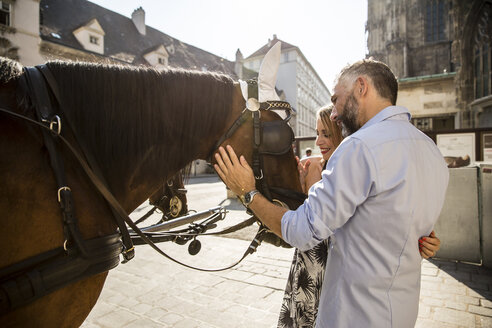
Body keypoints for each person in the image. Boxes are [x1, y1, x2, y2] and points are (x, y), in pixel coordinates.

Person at [214, 59, 449, 327]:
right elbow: (404, 225)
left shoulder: (359, 147)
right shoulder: (431, 150)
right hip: (402, 313)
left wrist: (247, 192)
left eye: (336, 99)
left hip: (355, 314)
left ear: (362, 87)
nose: (335, 112)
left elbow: (302, 230)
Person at [277, 105, 442, 328]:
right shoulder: (311, 167)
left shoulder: (357, 166)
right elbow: (295, 223)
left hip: (340, 281)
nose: (318, 142)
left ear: (341, 133)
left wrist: (424, 240)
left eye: (326, 134)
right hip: (310, 270)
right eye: (317, 134)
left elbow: (384, 220)